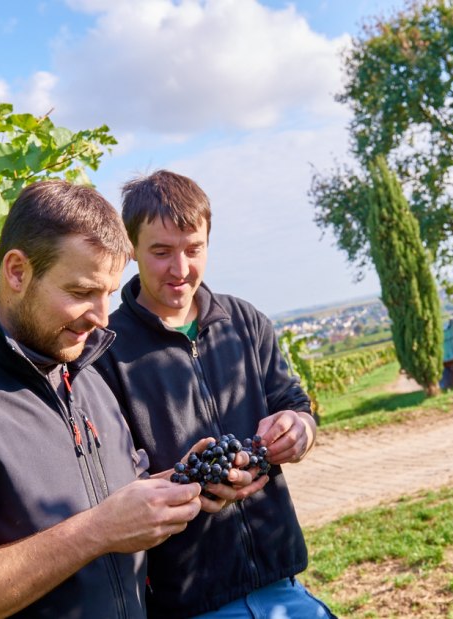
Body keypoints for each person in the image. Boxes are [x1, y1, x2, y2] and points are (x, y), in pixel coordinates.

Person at [0, 180, 212, 618]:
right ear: (16, 272)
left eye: (107, 294)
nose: (101, 318)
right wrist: (98, 531)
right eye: (81, 293)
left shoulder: (85, 377)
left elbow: (113, 500)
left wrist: (180, 484)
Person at [94, 170, 334, 618]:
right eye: (161, 252)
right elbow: (108, 483)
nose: (180, 269)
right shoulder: (105, 351)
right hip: (188, 602)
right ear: (131, 250)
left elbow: (295, 405)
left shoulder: (245, 321)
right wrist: (185, 484)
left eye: (193, 249)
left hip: (281, 582)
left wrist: (300, 430)